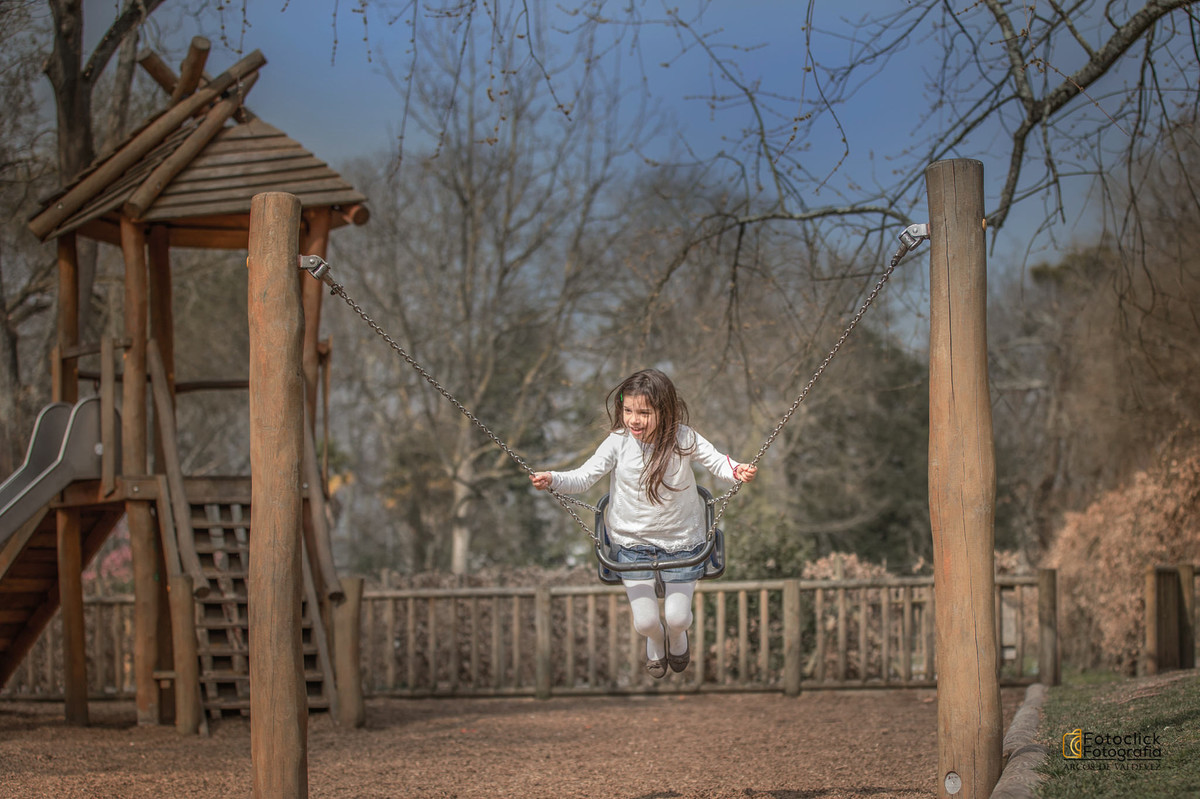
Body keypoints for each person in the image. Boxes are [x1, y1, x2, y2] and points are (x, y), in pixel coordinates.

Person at [530, 369, 757, 678]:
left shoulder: (683, 438)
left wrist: (737, 470)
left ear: (664, 411)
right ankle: (655, 639)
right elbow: (583, 477)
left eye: (644, 413)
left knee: (678, 617)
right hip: (631, 543)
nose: (634, 420)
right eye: (628, 411)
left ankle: (676, 635)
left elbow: (717, 461)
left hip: (682, 541)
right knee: (645, 622)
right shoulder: (618, 442)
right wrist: (553, 479)